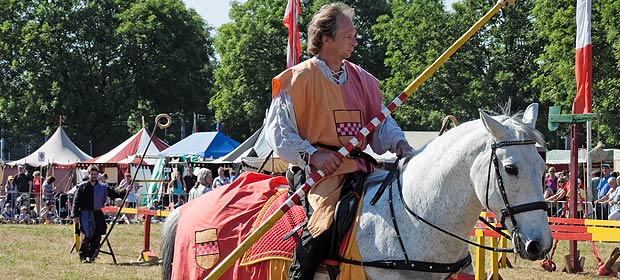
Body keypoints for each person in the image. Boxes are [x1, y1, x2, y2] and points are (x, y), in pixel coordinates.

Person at [264, 3, 413, 279]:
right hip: (318, 174)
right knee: (324, 224)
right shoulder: (297, 79)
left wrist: (399, 144)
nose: (355, 42)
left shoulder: (364, 80)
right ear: (326, 38)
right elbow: (278, 133)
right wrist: (312, 154)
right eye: (349, 36)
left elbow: (381, 123)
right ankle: (302, 274)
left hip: (360, 167)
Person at [72, 165, 127, 263]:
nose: (93, 176)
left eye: (95, 174)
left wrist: (126, 190)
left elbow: (114, 192)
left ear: (98, 175)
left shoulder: (103, 187)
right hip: (85, 214)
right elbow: (76, 201)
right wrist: (75, 215)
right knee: (86, 237)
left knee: (97, 236)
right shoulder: (82, 187)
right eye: (91, 174)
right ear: (88, 175)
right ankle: (83, 256)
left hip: (97, 214)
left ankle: (92, 256)